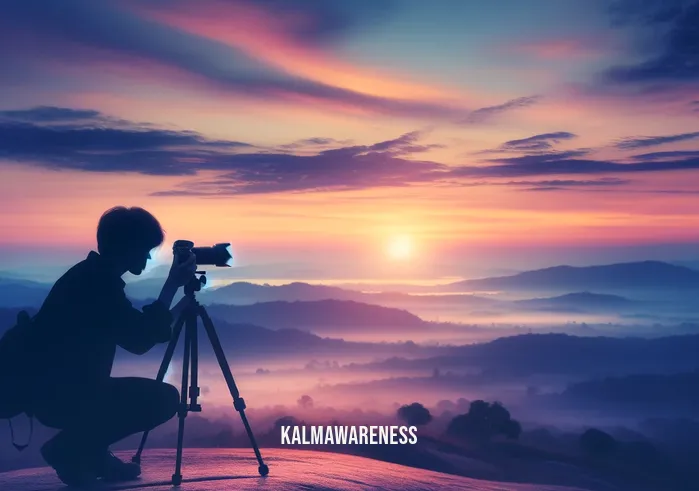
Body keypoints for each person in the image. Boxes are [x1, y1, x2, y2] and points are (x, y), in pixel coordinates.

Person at [26, 206, 197, 486]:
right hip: (62, 396)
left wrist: (179, 304)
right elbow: (139, 339)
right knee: (163, 399)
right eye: (145, 248)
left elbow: (138, 331)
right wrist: (171, 285)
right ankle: (67, 451)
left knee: (131, 395)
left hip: (59, 390)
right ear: (128, 246)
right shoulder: (98, 285)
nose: (149, 255)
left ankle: (93, 456)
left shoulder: (88, 276)